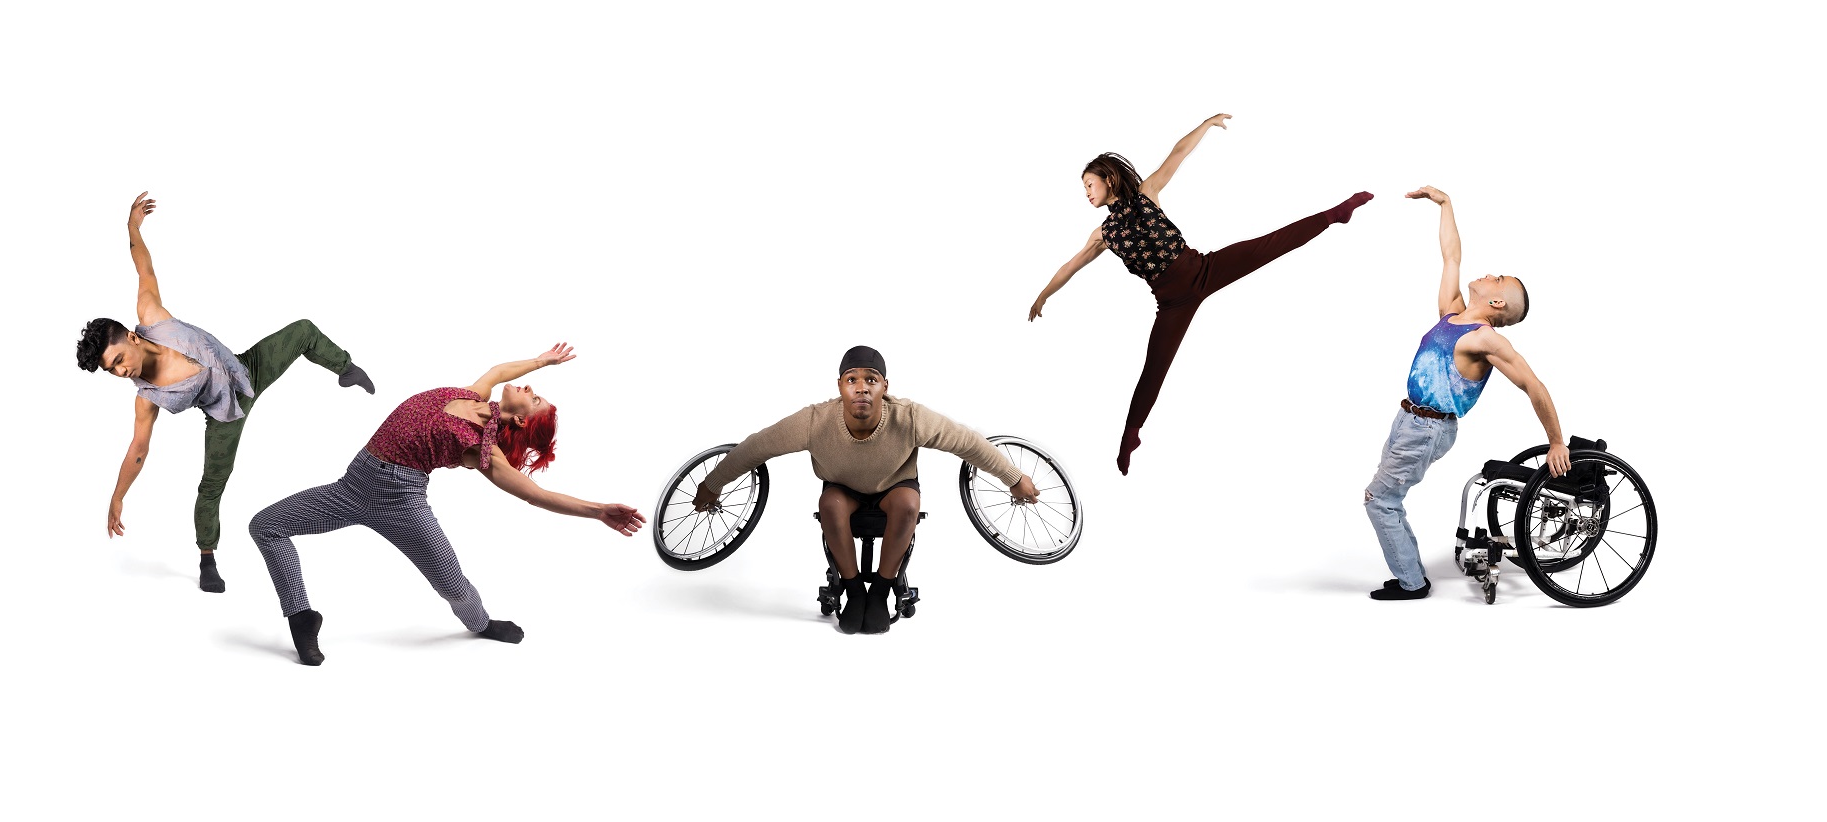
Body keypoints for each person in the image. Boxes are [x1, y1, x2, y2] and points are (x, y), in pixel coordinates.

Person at [247, 344, 646, 665]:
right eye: (533, 389)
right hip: (351, 487)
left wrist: (597, 511)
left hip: (400, 502)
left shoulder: (481, 448)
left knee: (452, 585)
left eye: (535, 398)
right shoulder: (472, 394)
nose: (527, 389)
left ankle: (481, 623)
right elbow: (501, 370)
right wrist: (542, 361)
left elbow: (533, 494)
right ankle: (301, 615)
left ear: (523, 422)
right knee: (265, 525)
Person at [1028, 113, 1374, 473]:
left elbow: (1178, 153)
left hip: (1203, 269)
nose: (1086, 193)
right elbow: (1070, 266)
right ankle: (1131, 434)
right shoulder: (1102, 235)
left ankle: (1336, 213)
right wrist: (1043, 295)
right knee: (1154, 368)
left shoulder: (1147, 194)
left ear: (1108, 178)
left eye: (1089, 184)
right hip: (1172, 303)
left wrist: (1206, 124)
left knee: (1268, 246)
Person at [75, 192, 375, 593]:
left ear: (130, 337)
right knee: (210, 487)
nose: (120, 371)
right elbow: (138, 450)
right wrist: (116, 497)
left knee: (302, 330)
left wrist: (132, 226)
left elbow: (143, 267)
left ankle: (345, 369)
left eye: (116, 360)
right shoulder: (146, 396)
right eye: (111, 371)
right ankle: (207, 559)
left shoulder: (152, 315)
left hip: (245, 368)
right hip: (224, 416)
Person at [690, 346, 1039, 635]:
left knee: (907, 504)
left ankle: (882, 591)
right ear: (840, 386)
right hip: (844, 488)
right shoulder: (814, 421)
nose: (861, 388)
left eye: (870, 380)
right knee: (830, 504)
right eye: (852, 380)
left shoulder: (910, 417)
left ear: (884, 387)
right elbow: (756, 448)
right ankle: (854, 589)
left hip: (893, 486)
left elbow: (968, 443)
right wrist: (712, 484)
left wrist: (1013, 476)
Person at [1362, 186, 1570, 601]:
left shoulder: (1484, 340)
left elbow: (1533, 385)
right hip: (1411, 419)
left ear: (1496, 300)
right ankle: (1410, 574)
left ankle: (1412, 582)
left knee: (1380, 500)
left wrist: (1556, 440)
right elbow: (1451, 256)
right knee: (1385, 497)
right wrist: (1445, 205)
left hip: (1426, 427)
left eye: (1498, 279)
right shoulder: (1452, 313)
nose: (1491, 273)